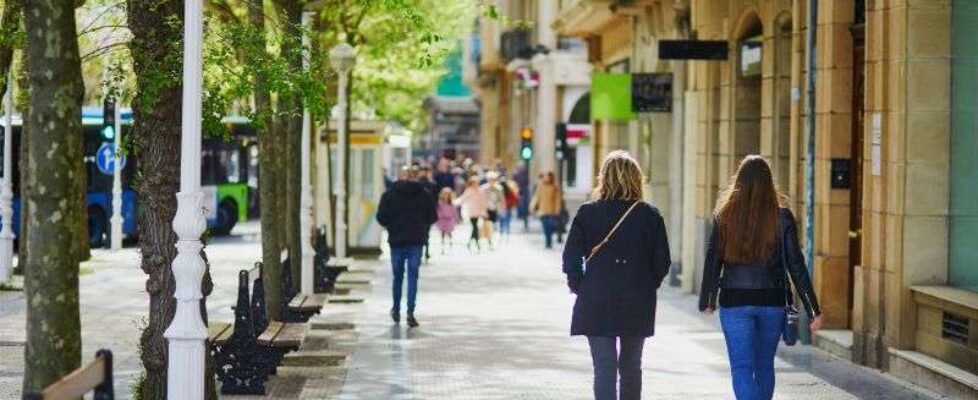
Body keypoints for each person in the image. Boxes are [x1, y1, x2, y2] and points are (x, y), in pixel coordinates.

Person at [698, 155, 823, 400]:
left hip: (734, 301)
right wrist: (812, 308)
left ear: (739, 182)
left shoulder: (725, 216)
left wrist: (708, 299)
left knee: (742, 367)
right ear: (769, 183)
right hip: (772, 302)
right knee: (764, 365)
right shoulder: (783, 217)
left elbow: (713, 260)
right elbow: (796, 264)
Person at [562, 151, 671, 400]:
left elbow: (570, 258)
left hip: (597, 297)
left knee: (604, 369)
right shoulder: (649, 216)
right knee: (631, 368)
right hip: (637, 299)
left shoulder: (587, 213)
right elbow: (662, 262)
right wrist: (645, 284)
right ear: (635, 179)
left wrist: (581, 286)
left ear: (604, 178)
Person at [376, 167, 437, 328]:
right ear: (414, 177)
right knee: (412, 276)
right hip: (416, 241)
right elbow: (432, 217)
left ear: (399, 177)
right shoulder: (424, 194)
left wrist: (393, 225)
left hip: (396, 241)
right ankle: (410, 311)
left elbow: (381, 217)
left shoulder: (389, 195)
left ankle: (396, 310)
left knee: (397, 277)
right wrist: (421, 226)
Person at [454, 176, 488, 252]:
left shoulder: (480, 191)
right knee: (475, 227)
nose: (475, 184)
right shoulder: (469, 191)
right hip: (471, 212)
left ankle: (471, 243)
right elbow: (462, 199)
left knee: (475, 227)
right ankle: (475, 243)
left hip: (478, 212)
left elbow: (484, 202)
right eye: (474, 183)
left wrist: (484, 212)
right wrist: (453, 203)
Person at [531, 171, 562, 249]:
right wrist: (532, 206)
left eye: (548, 176)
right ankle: (548, 243)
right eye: (545, 176)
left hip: (552, 211)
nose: (546, 178)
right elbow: (536, 197)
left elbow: (558, 200)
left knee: (550, 227)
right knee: (545, 227)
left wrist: (557, 210)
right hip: (543, 211)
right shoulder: (540, 186)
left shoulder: (555, 187)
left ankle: (549, 241)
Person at [481, 171, 504, 247]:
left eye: (493, 179)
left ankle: (492, 238)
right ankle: (489, 240)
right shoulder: (484, 188)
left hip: (495, 209)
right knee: (487, 225)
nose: (492, 181)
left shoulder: (499, 189)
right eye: (490, 179)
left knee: (493, 225)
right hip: (486, 209)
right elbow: (482, 200)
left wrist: (502, 208)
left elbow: (501, 199)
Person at [435, 187, 459, 253]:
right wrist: (439, 217)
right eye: (444, 194)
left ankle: (450, 245)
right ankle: (442, 247)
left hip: (449, 220)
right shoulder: (440, 203)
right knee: (442, 234)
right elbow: (438, 211)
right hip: (442, 220)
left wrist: (456, 219)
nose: (446, 196)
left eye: (447, 194)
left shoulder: (451, 204)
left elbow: (454, 212)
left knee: (449, 233)